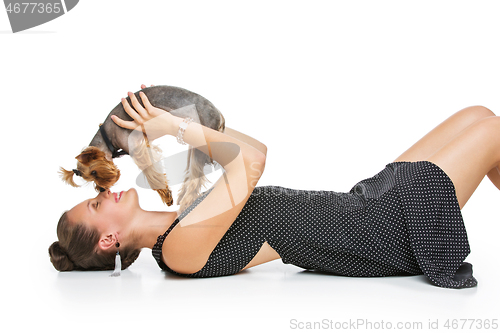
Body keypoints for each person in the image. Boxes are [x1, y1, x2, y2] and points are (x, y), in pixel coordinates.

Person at [49, 90, 500, 289]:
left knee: (477, 114)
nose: (105, 193)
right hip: (382, 233)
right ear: (109, 240)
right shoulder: (178, 250)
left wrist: (171, 114)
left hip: (364, 204)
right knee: (494, 132)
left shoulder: (185, 214)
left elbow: (253, 148)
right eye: (95, 204)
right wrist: (175, 127)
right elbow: (252, 161)